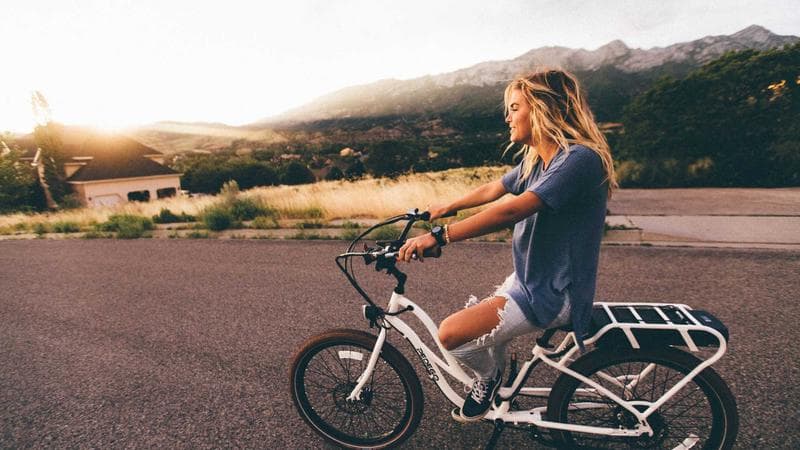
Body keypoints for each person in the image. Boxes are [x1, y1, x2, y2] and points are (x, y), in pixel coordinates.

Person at [397, 68, 617, 421]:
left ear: (544, 109)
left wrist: (440, 236)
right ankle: (497, 378)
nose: (507, 117)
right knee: (480, 328)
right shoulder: (539, 161)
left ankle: (489, 378)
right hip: (529, 280)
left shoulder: (578, 160)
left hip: (554, 292)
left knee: (451, 335)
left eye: (515, 108)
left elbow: (511, 209)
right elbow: (495, 189)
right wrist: (448, 206)